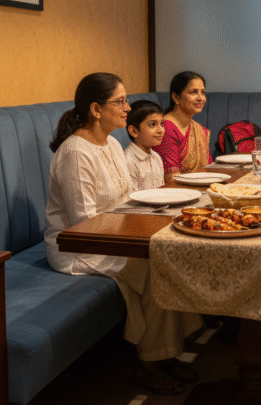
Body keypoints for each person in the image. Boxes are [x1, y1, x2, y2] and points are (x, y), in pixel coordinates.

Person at [44, 73, 202, 396]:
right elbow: (83, 224)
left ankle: (167, 352)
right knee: (157, 267)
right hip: (77, 248)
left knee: (169, 257)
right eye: (120, 101)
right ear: (96, 109)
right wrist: (135, 233)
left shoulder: (114, 144)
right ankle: (148, 366)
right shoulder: (76, 152)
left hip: (114, 235)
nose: (127, 108)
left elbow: (128, 199)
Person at [153, 71, 212, 180]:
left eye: (202, 92)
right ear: (176, 97)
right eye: (193, 92)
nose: (201, 98)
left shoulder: (198, 129)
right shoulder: (166, 129)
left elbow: (209, 169)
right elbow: (172, 178)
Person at [125, 99, 166, 191]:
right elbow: (132, 200)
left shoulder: (156, 157)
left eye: (162, 124)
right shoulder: (128, 162)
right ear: (134, 131)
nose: (160, 130)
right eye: (152, 124)